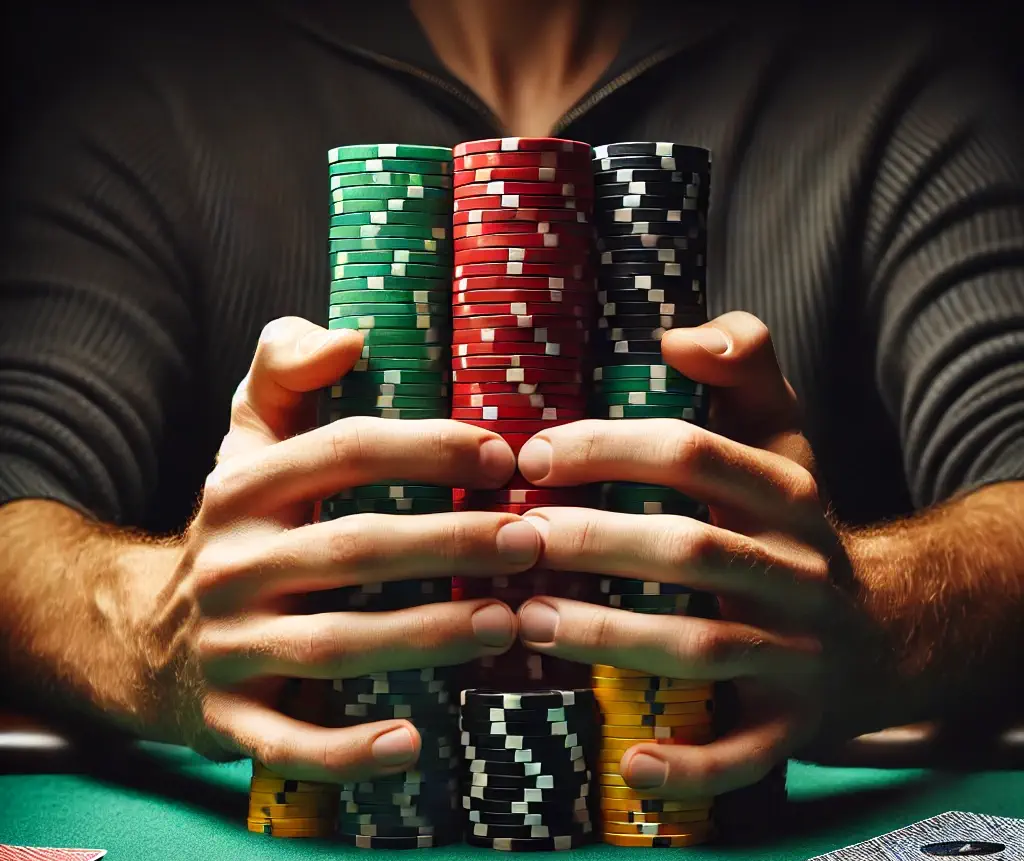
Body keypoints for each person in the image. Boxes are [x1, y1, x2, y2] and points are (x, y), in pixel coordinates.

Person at [1, 0, 1022, 801]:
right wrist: (135, 621)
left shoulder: (892, 78)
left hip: (678, 806)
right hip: (370, 802)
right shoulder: (159, 91)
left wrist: (883, 616)